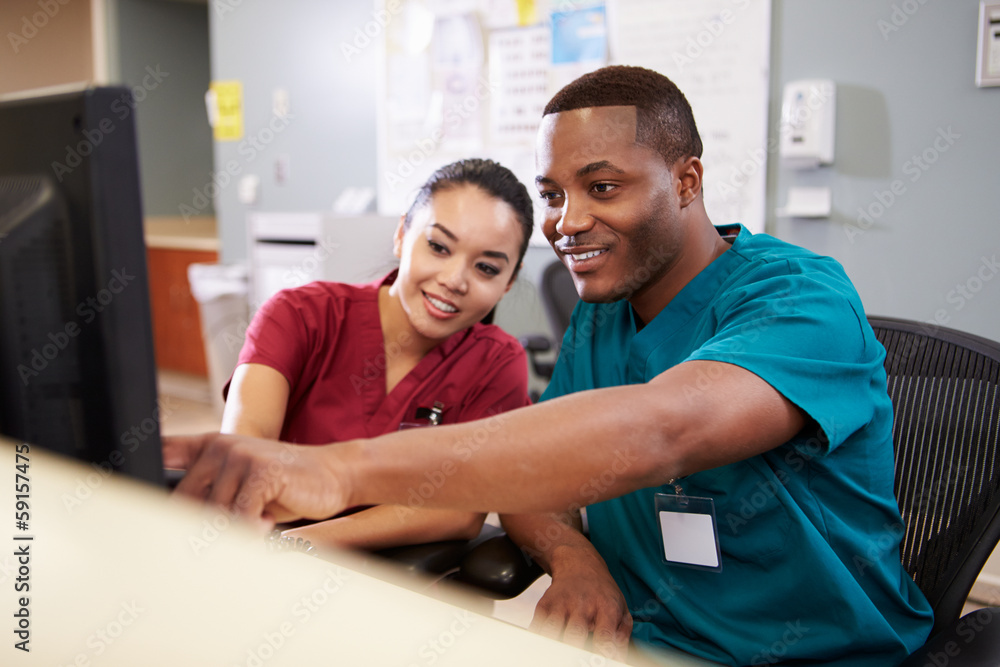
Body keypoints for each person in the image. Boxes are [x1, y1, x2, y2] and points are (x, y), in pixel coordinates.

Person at [166, 66, 934, 666]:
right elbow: (539, 465)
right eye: (554, 194)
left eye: (602, 188)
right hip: (634, 638)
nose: (567, 223)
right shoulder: (603, 312)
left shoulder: (801, 298)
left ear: (687, 182)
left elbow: (661, 430)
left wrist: (342, 469)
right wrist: (575, 557)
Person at [220, 158, 534, 551]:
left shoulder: (497, 364)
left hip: (401, 588)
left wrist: (300, 546)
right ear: (402, 234)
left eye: (486, 268)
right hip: (259, 557)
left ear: (509, 282)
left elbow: (460, 510)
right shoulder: (300, 316)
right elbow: (243, 454)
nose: (454, 280)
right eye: (438, 247)